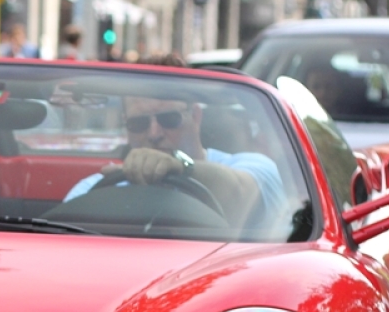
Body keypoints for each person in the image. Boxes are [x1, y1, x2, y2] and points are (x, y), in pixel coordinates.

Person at [62, 87, 283, 225]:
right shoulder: (94, 189)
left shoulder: (255, 166)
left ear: (196, 116)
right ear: (126, 126)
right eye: (139, 123)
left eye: (169, 119)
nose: (154, 134)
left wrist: (179, 166)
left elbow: (242, 191)